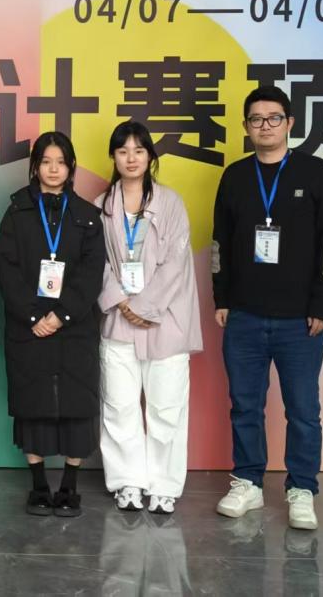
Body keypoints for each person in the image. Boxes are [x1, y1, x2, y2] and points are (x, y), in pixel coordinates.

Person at [212, 85, 323, 531]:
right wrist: (221, 298)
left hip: (300, 321)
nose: (265, 126)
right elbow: (219, 243)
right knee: (244, 406)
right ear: (246, 126)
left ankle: (302, 489)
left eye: (273, 118)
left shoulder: (317, 174)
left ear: (289, 123)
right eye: (256, 119)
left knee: (303, 410)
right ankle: (248, 482)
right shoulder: (235, 176)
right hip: (244, 316)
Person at [95, 121, 203, 515]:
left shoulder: (171, 203)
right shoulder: (101, 206)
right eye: (123, 151)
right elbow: (96, 262)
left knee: (166, 407)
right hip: (119, 322)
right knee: (119, 405)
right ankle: (127, 482)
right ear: (113, 156)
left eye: (139, 150)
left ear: (150, 157)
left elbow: (176, 263)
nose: (131, 158)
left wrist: (143, 306)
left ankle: (164, 486)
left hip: (165, 321)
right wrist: (121, 301)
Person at [0, 131, 104, 517]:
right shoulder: (17, 212)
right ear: (35, 167)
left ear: (71, 167)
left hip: (74, 327)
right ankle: (39, 485)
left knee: (77, 403)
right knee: (33, 404)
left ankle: (70, 486)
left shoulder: (87, 216)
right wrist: (33, 316)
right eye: (45, 161)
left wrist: (61, 315)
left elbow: (92, 273)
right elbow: (6, 270)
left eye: (61, 162)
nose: (53, 169)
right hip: (28, 327)